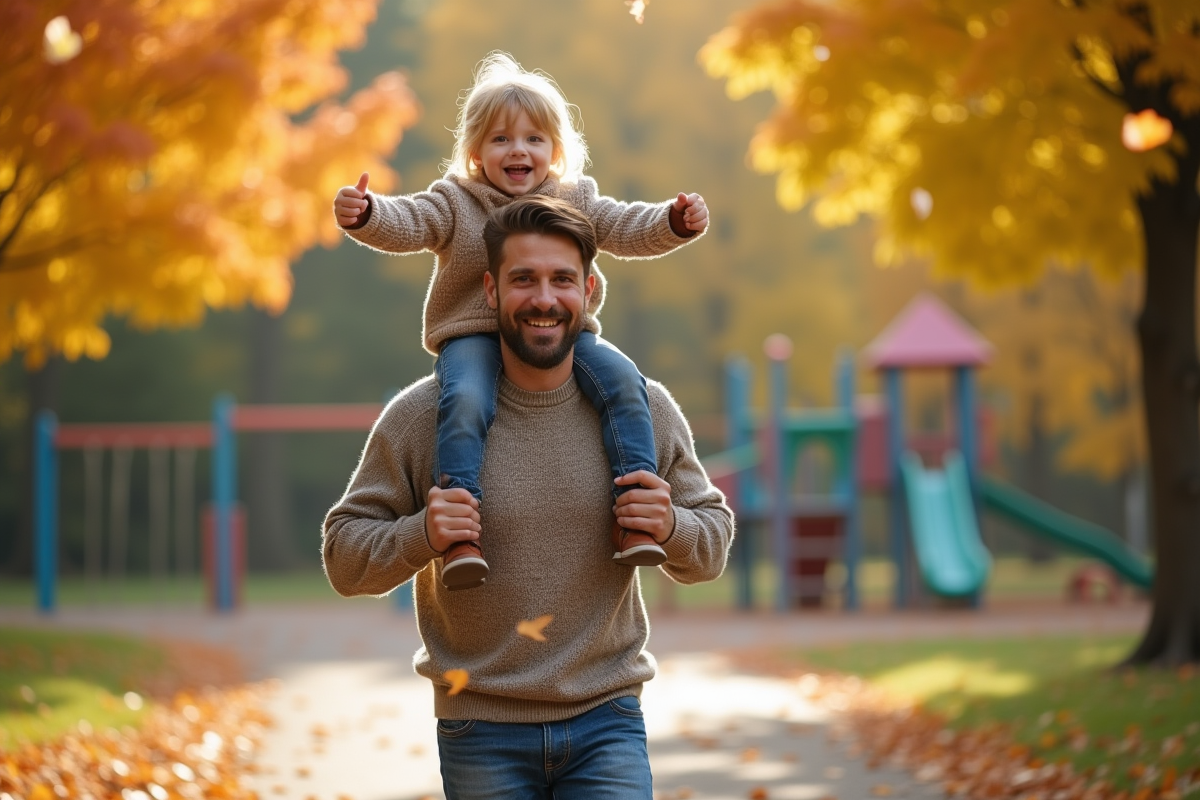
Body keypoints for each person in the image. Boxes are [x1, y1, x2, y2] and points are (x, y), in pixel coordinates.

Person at [323, 196, 733, 799]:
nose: (544, 299)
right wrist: (422, 534)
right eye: (524, 280)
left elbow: (713, 544)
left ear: (590, 290)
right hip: (478, 726)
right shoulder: (421, 417)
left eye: (562, 279)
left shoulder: (640, 411)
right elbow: (343, 559)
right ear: (490, 291)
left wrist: (671, 525)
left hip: (608, 721)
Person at [331, 52, 709, 590]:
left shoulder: (574, 201)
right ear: (475, 153)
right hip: (472, 337)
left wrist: (672, 222)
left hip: (569, 342)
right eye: (501, 139)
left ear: (555, 151)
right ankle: (461, 525)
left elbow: (626, 227)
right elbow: (408, 221)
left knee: (626, 383)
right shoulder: (456, 202)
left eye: (534, 139)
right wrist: (368, 214)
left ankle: (636, 512)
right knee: (465, 400)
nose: (518, 150)